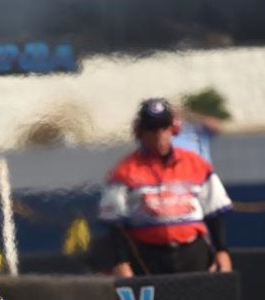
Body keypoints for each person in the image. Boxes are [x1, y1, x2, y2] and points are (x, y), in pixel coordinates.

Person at [97, 98, 233, 276]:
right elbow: (114, 222)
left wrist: (222, 251)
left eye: (164, 128)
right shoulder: (124, 171)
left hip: (192, 253)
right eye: (152, 130)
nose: (159, 135)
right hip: (148, 256)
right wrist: (121, 261)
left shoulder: (196, 164)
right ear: (140, 132)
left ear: (173, 129)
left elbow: (214, 211)